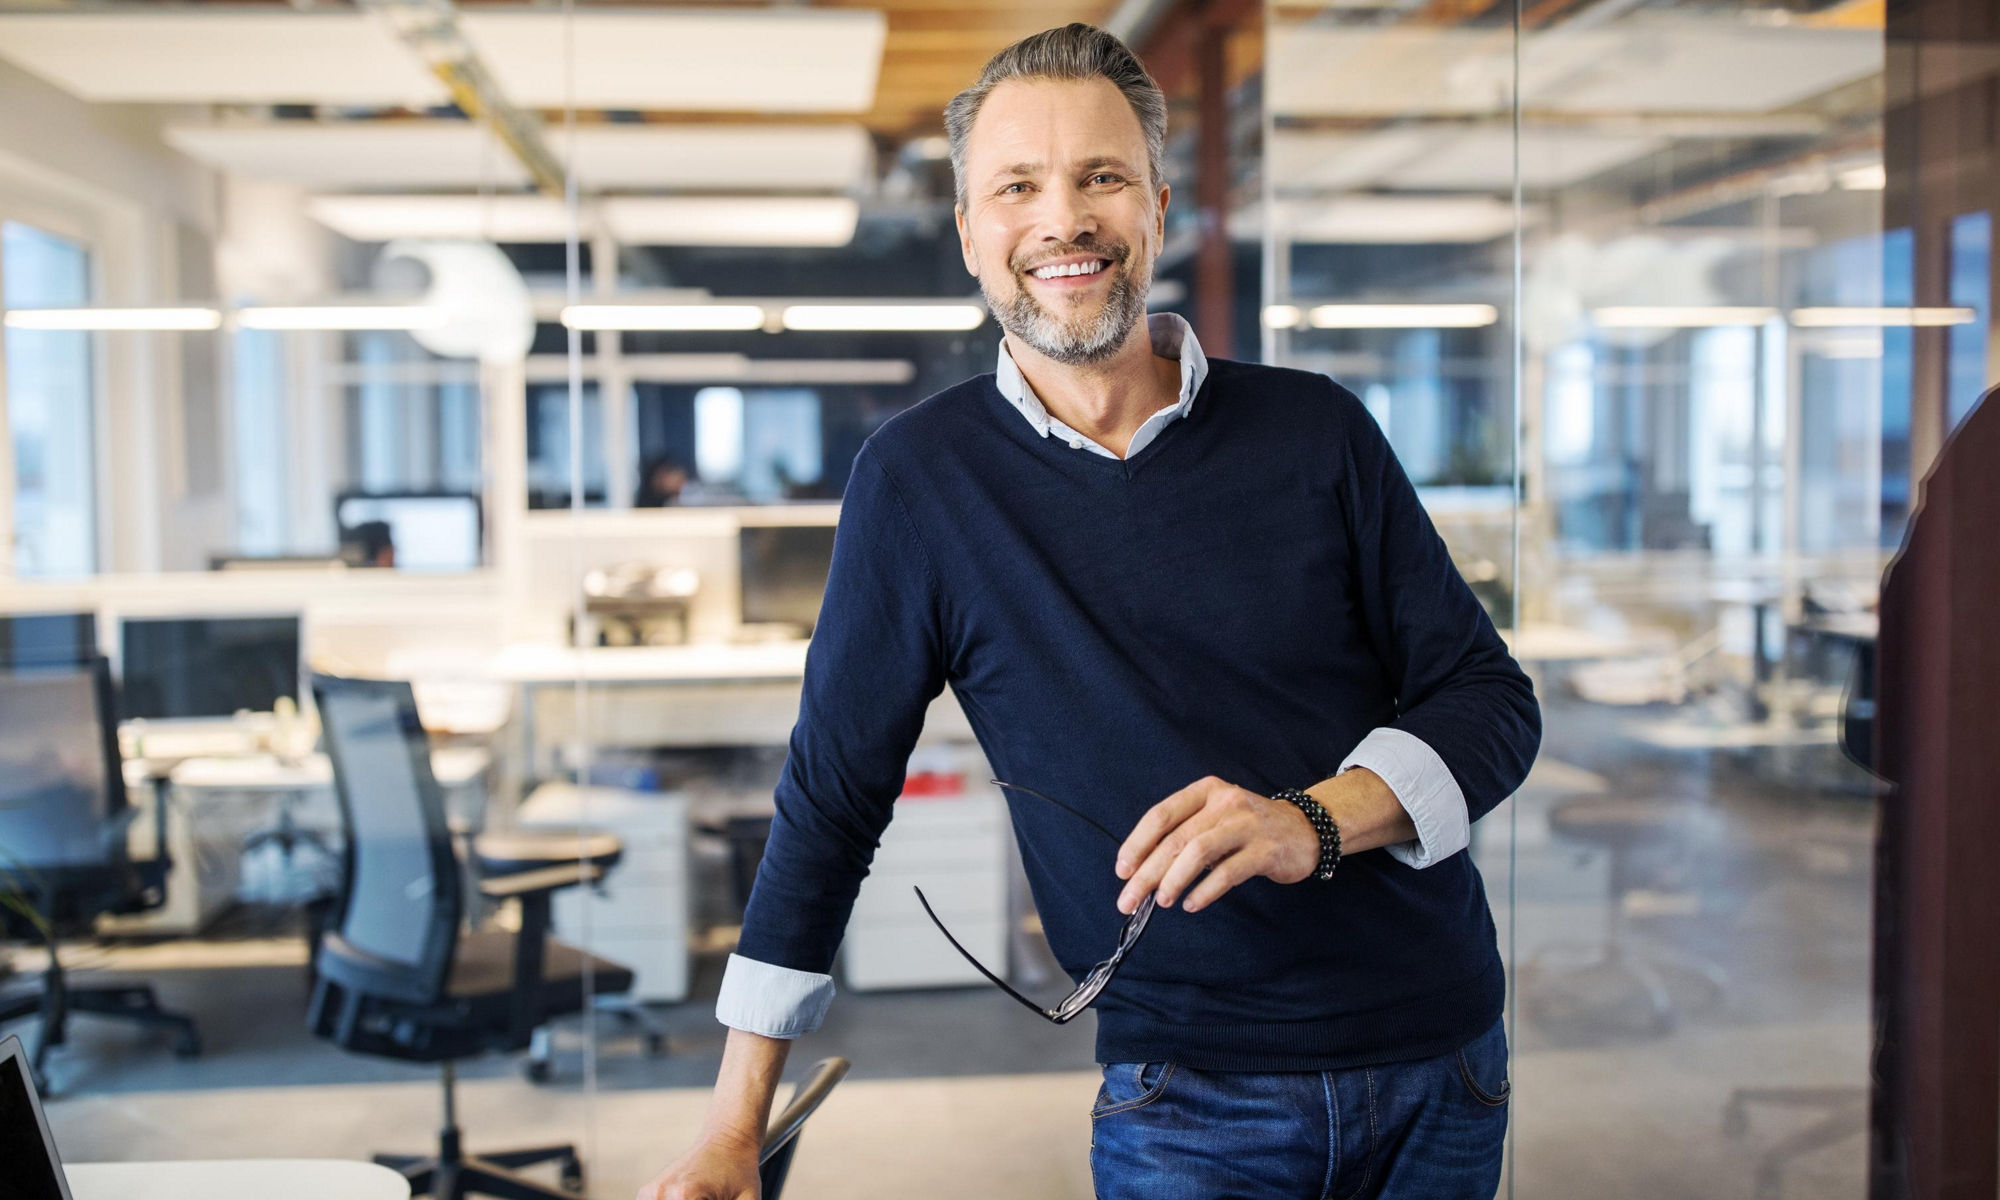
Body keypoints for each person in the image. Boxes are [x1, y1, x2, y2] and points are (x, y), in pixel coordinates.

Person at [639, 23, 1539, 1200]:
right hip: (1189, 1096)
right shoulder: (921, 481)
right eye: (1016, 185)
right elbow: (832, 796)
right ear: (970, 231)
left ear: (1157, 207)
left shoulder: (1314, 429)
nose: (1061, 219)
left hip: (1439, 1056)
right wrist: (730, 1121)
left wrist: (1305, 822)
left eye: (1099, 177)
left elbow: (1487, 703)